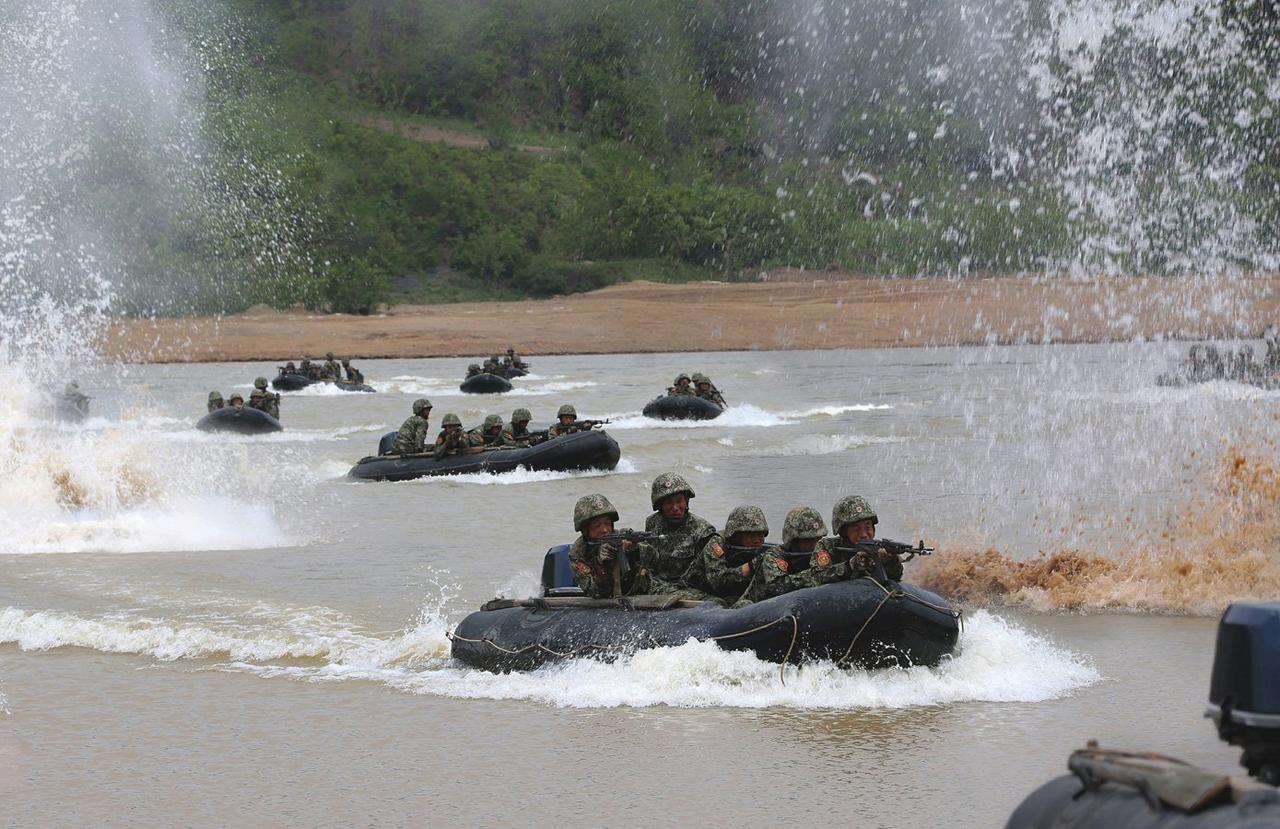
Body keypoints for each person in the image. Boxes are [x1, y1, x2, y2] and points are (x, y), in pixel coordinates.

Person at [567, 494, 662, 598]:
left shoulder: (623, 536)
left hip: (641, 594)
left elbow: (655, 560)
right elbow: (594, 591)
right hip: (607, 602)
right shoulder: (578, 553)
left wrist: (635, 550)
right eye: (597, 526)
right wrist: (602, 565)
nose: (604, 530)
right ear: (585, 530)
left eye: (607, 523)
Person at [642, 472, 718, 599]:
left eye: (679, 501)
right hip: (656, 587)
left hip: (688, 590)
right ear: (660, 506)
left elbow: (710, 573)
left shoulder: (703, 530)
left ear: (686, 502)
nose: (675, 507)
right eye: (669, 503)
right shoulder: (653, 523)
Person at [809, 495, 906, 583]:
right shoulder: (827, 546)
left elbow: (895, 579)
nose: (863, 534)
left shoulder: (877, 548)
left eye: (867, 527)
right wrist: (851, 565)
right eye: (856, 529)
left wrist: (890, 561)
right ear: (843, 531)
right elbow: (817, 578)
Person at [701, 506, 770, 604]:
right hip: (701, 591)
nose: (757, 540)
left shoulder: (765, 551)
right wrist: (750, 567)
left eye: (760, 535)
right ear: (736, 536)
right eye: (751, 535)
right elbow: (717, 582)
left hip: (736, 591)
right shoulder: (717, 544)